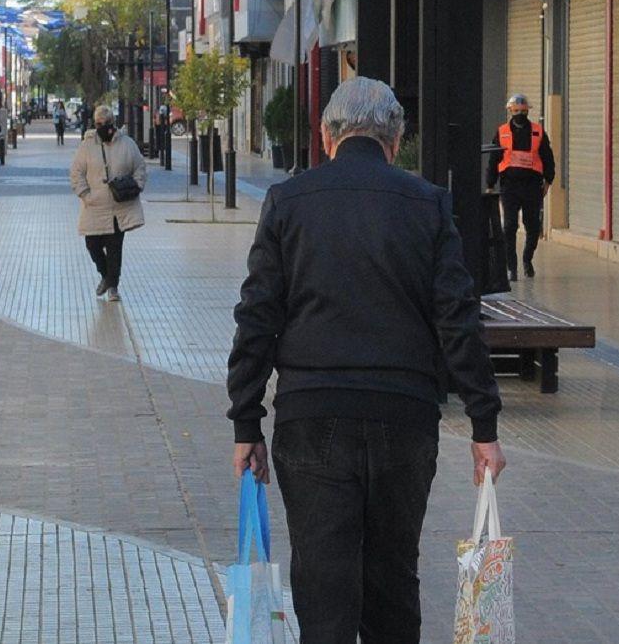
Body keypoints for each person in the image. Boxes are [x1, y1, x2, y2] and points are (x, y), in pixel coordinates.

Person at [227, 77, 505, 643]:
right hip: (403, 418)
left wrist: (246, 420)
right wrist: (484, 426)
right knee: (392, 583)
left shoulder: (287, 202)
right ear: (395, 139)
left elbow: (258, 314)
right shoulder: (427, 204)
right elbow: (458, 316)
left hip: (311, 417)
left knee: (323, 590)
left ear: (327, 137)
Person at [69, 107, 146, 302]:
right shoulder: (86, 146)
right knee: (92, 245)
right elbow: (76, 172)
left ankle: (113, 286)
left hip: (119, 208)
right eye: (99, 124)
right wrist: (85, 195)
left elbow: (140, 168)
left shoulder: (127, 144)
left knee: (114, 248)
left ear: (113, 123)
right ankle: (105, 275)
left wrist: (136, 186)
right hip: (94, 206)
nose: (103, 128)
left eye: (107, 123)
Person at [486, 93, 555, 282]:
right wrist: (490, 184)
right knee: (509, 226)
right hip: (509, 186)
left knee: (533, 227)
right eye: (516, 111)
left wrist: (548, 181)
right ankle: (512, 267)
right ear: (510, 111)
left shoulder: (538, 132)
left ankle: (527, 259)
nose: (519, 114)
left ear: (527, 112)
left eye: (523, 111)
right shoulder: (502, 132)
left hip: (532, 187)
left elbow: (548, 157)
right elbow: (494, 159)